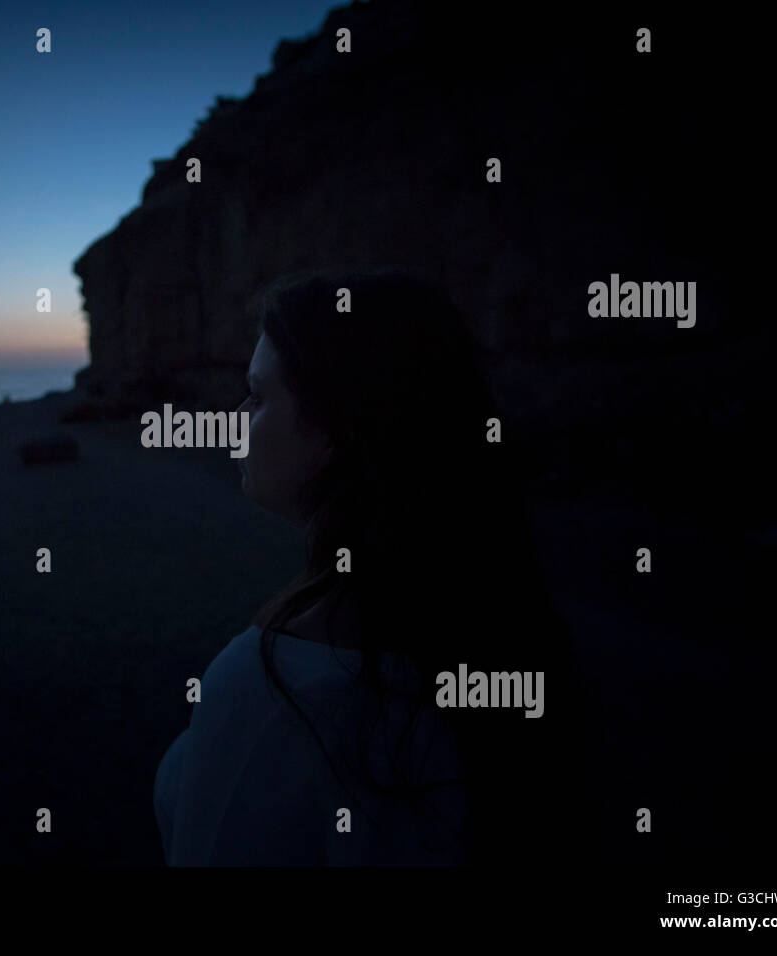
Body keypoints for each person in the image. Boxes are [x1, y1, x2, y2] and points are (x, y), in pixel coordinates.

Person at [154, 266, 589, 866]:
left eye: (257, 395)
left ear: (331, 431)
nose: (235, 416)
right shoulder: (510, 632)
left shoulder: (271, 686)